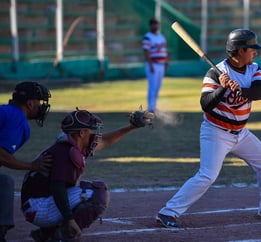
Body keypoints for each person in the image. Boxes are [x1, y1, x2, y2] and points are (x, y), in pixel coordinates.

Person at [156, 29, 261, 228]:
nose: (255, 52)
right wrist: (223, 88)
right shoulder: (214, 73)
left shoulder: (254, 69)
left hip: (241, 134)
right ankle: (168, 212)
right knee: (207, 175)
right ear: (240, 50)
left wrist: (240, 89)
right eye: (251, 49)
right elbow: (205, 104)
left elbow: (259, 93)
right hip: (216, 132)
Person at [20, 108, 154, 241]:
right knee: (97, 194)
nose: (94, 134)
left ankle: (47, 233)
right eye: (91, 130)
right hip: (39, 208)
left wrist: (132, 127)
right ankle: (61, 236)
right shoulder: (65, 152)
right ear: (81, 133)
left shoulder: (72, 145)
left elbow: (106, 141)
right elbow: (58, 189)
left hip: (38, 202)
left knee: (89, 189)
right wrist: (70, 220)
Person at [0, 81, 52, 242]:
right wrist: (31, 165)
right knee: (5, 183)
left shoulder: (5, 111)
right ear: (30, 103)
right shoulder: (18, 119)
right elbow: (1, 155)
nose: (42, 106)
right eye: (40, 102)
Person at [142, 17, 168, 113]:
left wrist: (166, 62)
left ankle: (154, 106)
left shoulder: (161, 37)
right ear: (150, 26)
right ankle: (150, 107)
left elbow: (164, 51)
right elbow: (146, 52)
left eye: (156, 24)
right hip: (153, 64)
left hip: (161, 64)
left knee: (158, 86)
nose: (155, 26)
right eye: (153, 24)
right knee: (152, 86)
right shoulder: (148, 37)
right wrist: (151, 64)